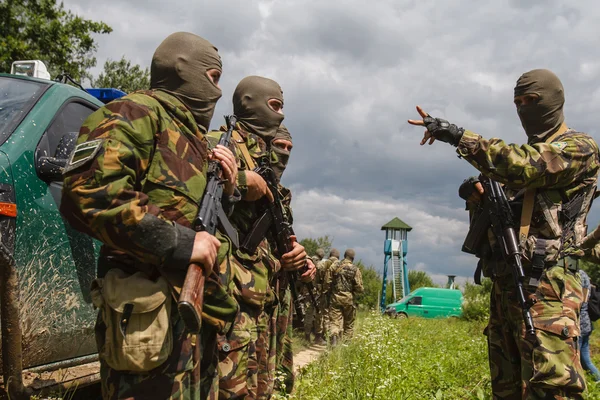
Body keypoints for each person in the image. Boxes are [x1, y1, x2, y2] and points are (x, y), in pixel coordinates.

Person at [60, 32, 240, 400]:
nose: (219, 91)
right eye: (214, 77)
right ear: (181, 69)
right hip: (148, 324)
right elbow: (88, 193)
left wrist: (229, 189)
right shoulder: (135, 112)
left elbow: (193, 217)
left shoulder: (193, 139)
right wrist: (180, 242)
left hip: (196, 321)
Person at [409, 68, 599, 399]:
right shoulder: (512, 166)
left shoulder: (579, 147)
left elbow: (530, 164)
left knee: (552, 389)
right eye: (518, 102)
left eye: (532, 100)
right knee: (507, 387)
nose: (524, 108)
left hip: (548, 286)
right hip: (507, 283)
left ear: (554, 100)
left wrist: (459, 136)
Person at [208, 77, 315, 399]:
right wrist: (239, 181)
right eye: (275, 106)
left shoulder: (266, 165)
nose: (281, 116)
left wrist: (299, 257)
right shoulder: (220, 141)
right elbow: (186, 179)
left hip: (263, 296)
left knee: (260, 387)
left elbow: (276, 238)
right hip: (228, 292)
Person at [328, 249, 363, 345]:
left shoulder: (335, 265)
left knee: (334, 321)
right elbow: (359, 287)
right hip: (348, 299)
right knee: (349, 324)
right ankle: (346, 344)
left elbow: (328, 281)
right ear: (353, 258)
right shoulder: (355, 269)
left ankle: (334, 339)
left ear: (344, 255)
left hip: (335, 297)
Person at [579, 269, 600, 382]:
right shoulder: (584, 275)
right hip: (586, 323)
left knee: (577, 361)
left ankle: (583, 388)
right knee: (585, 360)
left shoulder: (577, 275)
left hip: (579, 324)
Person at [303, 248, 325, 343]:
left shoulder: (307, 261)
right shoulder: (321, 265)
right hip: (317, 293)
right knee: (318, 314)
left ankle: (307, 336)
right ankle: (318, 336)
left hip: (306, 291)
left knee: (308, 314)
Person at [320, 248, 340, 342]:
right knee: (336, 315)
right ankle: (335, 336)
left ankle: (326, 335)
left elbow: (317, 278)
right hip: (336, 293)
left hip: (324, 291)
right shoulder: (341, 264)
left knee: (325, 314)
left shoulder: (323, 263)